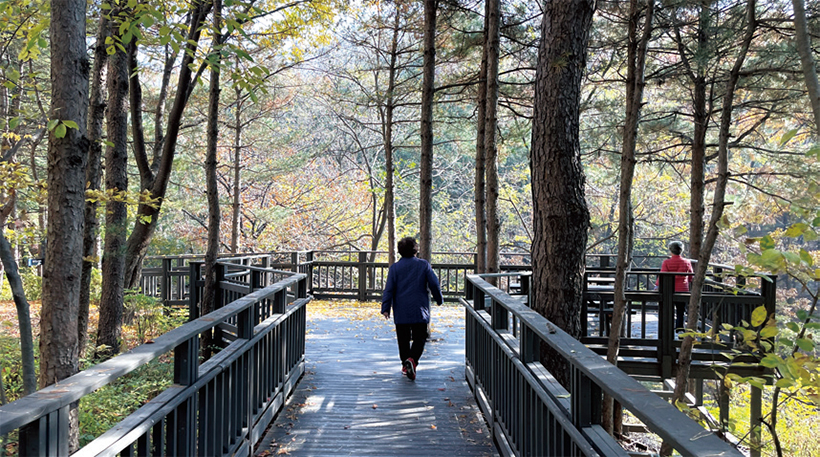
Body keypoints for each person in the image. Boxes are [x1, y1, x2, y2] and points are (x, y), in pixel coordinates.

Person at [381, 237, 443, 381]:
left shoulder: (395, 268)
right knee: (420, 338)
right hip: (419, 309)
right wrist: (439, 299)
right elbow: (434, 283)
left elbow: (389, 289)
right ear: (415, 249)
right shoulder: (423, 265)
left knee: (403, 340)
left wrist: (386, 308)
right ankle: (413, 360)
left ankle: (405, 364)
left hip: (401, 310)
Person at [655, 240, 694, 330]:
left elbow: (662, 275)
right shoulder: (686, 262)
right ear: (681, 250)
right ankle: (680, 328)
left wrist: (657, 285)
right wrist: (687, 281)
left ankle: (668, 328)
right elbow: (691, 275)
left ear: (670, 250)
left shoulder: (666, 262)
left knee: (668, 309)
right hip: (683, 289)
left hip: (669, 289)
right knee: (681, 310)